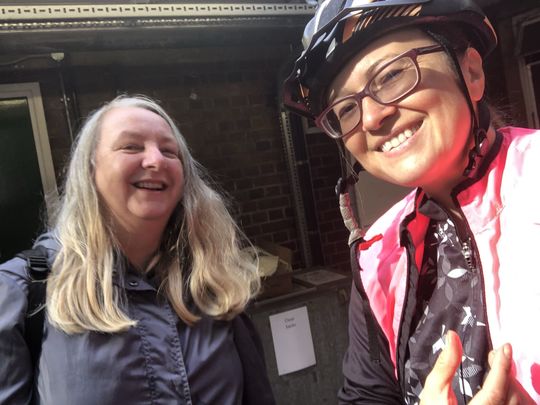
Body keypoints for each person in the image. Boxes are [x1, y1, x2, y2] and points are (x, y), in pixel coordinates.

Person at [283, 0, 540, 403]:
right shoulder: (378, 256)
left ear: (471, 72)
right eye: (346, 108)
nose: (370, 118)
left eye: (391, 75)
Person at [0, 95, 275, 405]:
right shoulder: (21, 292)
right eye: (131, 146)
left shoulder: (213, 282)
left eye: (169, 151)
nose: (155, 160)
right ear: (90, 168)